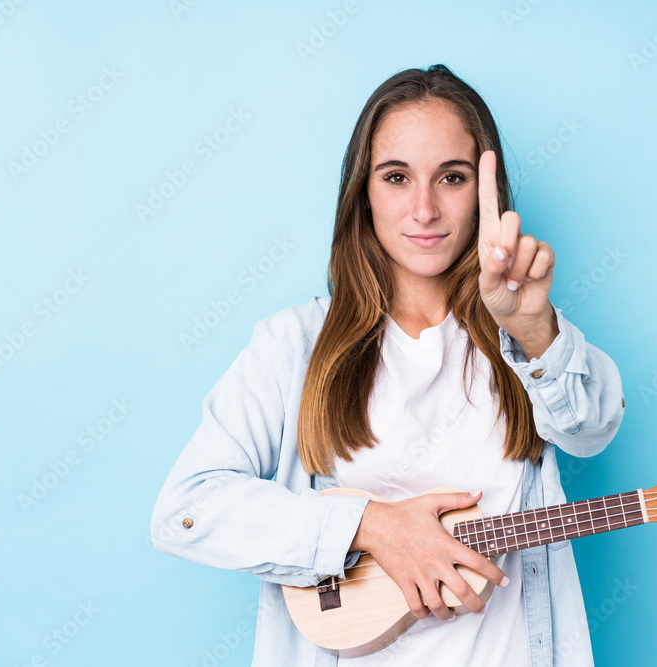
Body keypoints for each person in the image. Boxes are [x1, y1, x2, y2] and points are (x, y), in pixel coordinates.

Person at [150, 64, 624, 667]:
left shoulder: (522, 332)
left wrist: (533, 331)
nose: (424, 209)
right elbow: (186, 512)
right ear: (363, 193)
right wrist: (369, 526)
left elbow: (591, 431)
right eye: (397, 177)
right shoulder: (293, 346)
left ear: (485, 197)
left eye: (451, 178)